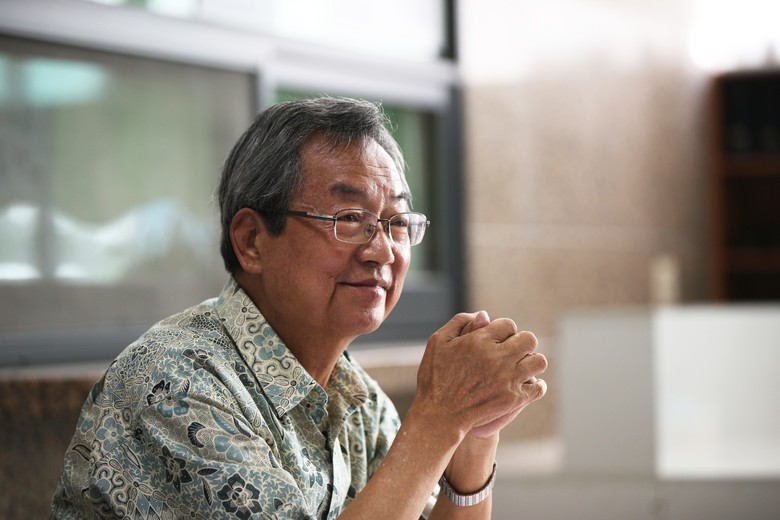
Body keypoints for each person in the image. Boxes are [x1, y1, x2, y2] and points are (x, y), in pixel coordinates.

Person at [50, 97, 547, 519]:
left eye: (396, 221)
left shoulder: (358, 399)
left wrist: (474, 433)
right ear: (251, 240)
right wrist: (439, 419)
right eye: (349, 218)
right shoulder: (174, 382)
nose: (382, 250)